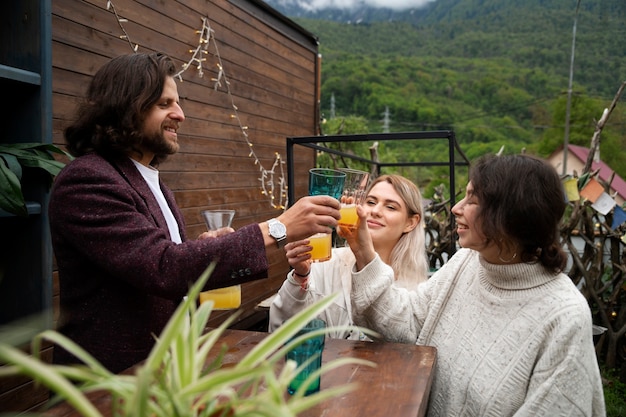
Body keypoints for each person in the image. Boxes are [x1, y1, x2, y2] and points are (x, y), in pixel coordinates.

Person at [48, 52, 341, 373]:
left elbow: (166, 264)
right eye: (164, 104)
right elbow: (164, 267)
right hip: (110, 383)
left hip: (163, 374)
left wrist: (201, 247)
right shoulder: (88, 179)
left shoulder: (155, 185)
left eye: (178, 102)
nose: (180, 114)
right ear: (124, 107)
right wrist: (279, 227)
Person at [342, 154, 605, 416]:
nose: (456, 208)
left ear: (510, 215)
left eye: (473, 200)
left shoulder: (564, 315)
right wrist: (363, 250)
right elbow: (408, 321)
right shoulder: (467, 261)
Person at [269, 174, 429, 339]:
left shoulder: (417, 292)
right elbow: (280, 329)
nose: (375, 211)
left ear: (411, 222)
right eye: (371, 202)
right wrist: (300, 278)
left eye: (391, 207)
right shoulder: (327, 263)